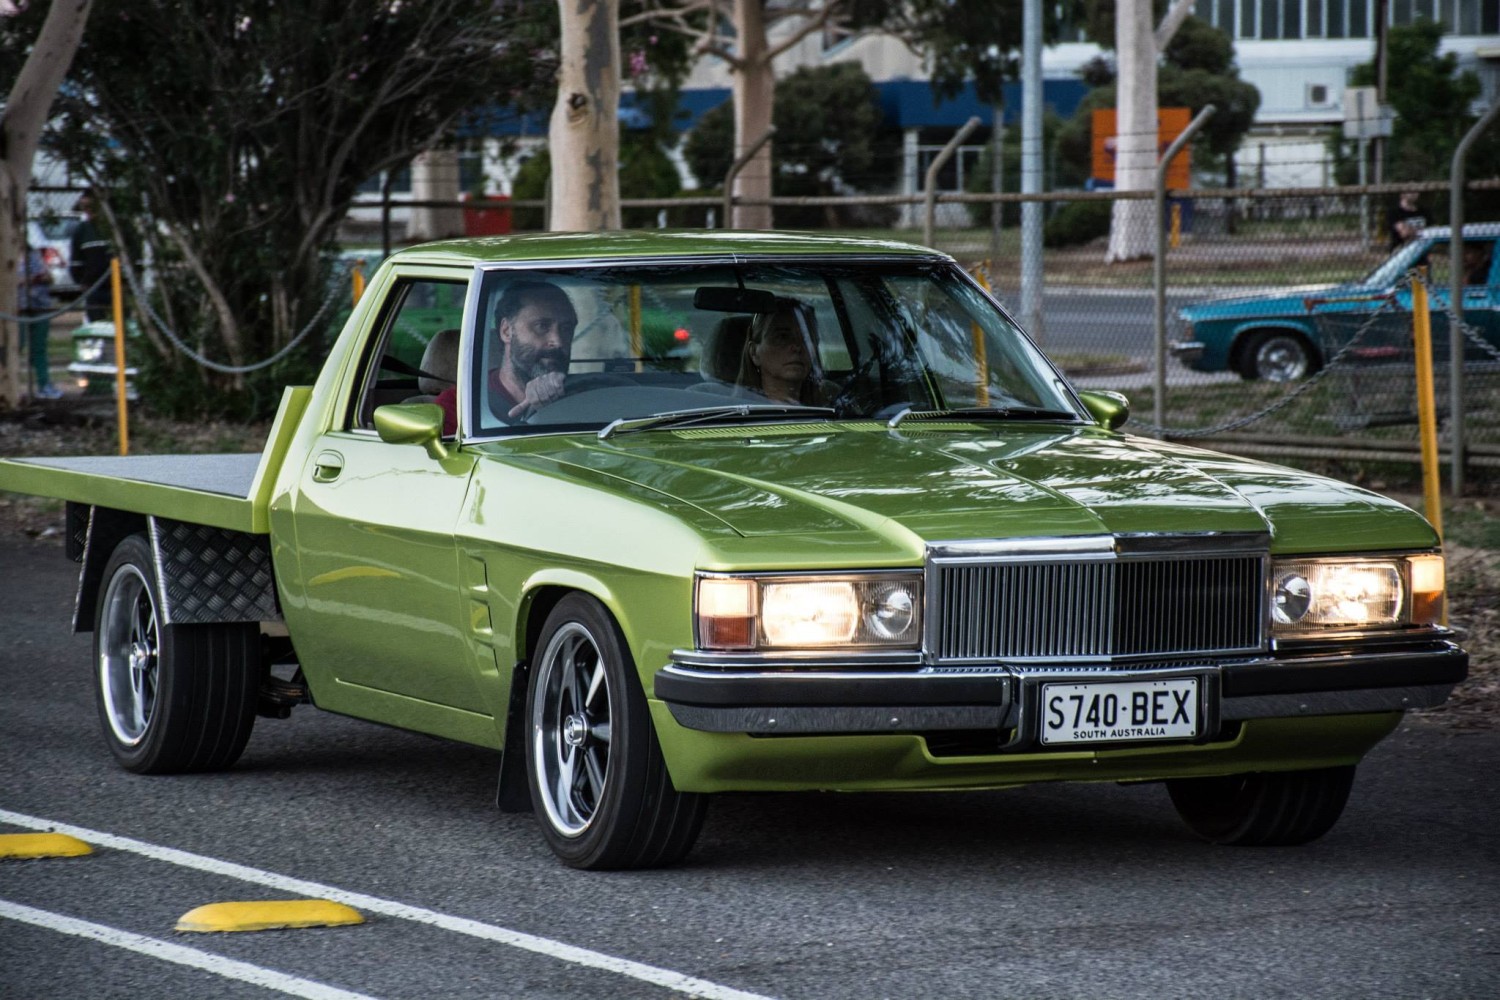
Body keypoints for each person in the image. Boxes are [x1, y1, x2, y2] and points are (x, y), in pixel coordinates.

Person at [435, 280, 577, 433]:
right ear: (506, 331)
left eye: (566, 328)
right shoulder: (460, 408)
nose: (558, 341)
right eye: (542, 326)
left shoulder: (584, 398)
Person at [735, 298, 832, 406]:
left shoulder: (834, 407)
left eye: (806, 338)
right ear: (754, 352)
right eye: (782, 337)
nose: (797, 347)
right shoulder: (733, 415)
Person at [20, 247, 61, 399]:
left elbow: (48, 277)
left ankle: (44, 385)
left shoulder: (33, 255)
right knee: (15, 345)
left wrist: (39, 278)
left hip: (40, 306)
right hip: (16, 309)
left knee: (39, 348)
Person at [69, 191, 113, 322]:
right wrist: (82, 281)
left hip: (116, 285)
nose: (88, 210)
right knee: (96, 322)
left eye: (91, 206)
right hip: (92, 287)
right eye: (84, 207)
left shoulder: (114, 229)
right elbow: (76, 260)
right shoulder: (81, 230)